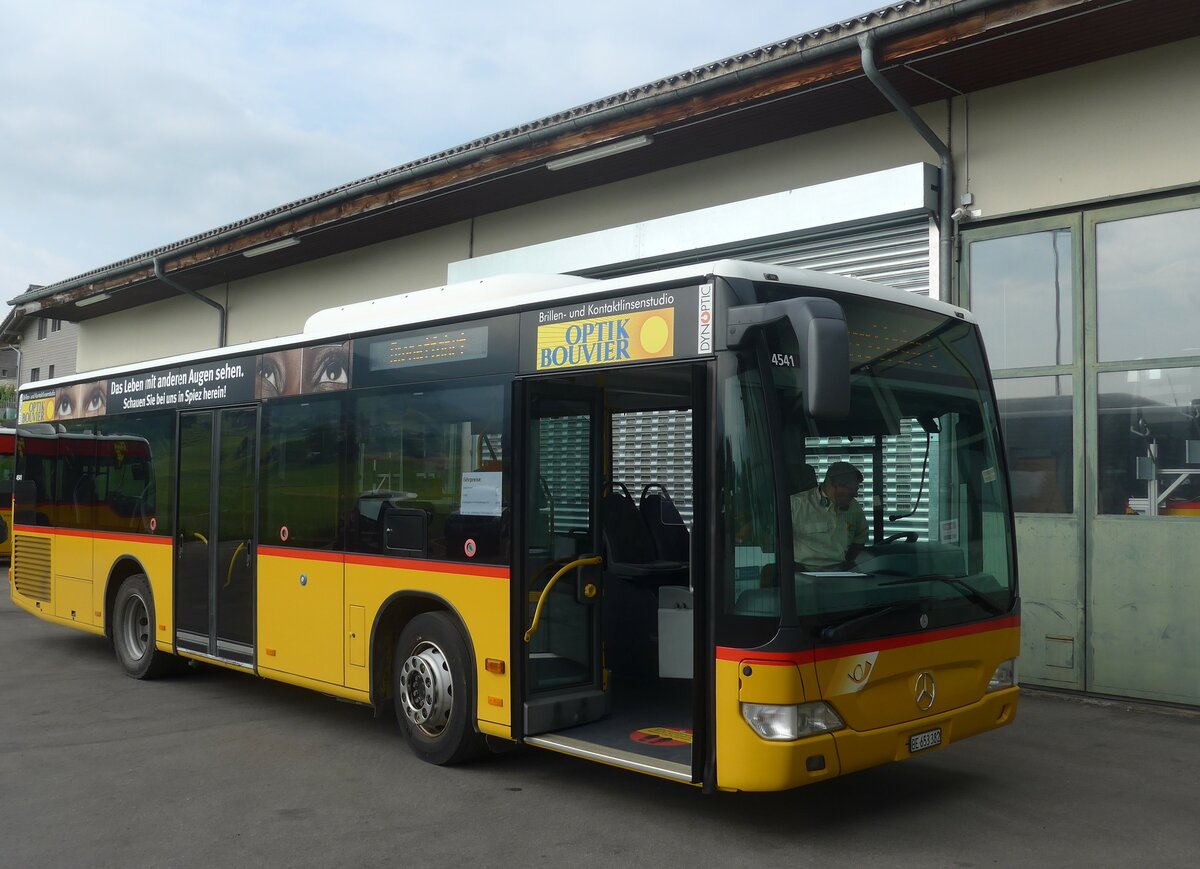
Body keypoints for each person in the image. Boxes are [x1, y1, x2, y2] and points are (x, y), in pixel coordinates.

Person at [790, 461, 869, 570]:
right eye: (851, 492)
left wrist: (849, 564)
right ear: (834, 486)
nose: (855, 495)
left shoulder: (854, 507)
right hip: (804, 571)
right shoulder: (796, 505)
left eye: (856, 491)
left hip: (841, 572)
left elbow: (861, 536)